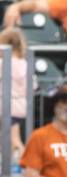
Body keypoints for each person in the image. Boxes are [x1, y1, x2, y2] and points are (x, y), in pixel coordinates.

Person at [0, 27, 32, 160]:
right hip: (19, 107)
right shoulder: (24, 64)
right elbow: (32, 85)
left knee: (14, 140)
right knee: (7, 138)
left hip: (6, 106)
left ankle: (26, 162)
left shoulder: (2, 63)